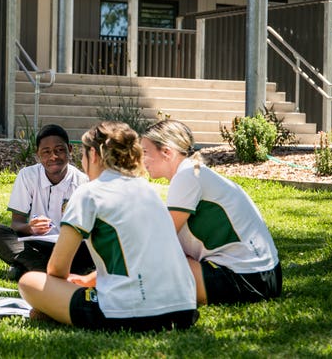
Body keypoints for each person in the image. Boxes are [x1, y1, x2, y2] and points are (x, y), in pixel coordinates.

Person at [19, 121, 198, 332]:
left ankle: (54, 311)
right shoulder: (148, 191)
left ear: (93, 155)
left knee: (29, 281)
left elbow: (57, 270)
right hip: (184, 312)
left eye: (83, 156)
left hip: (129, 314)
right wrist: (87, 280)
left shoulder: (89, 192)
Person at [141, 119, 282, 306]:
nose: (142, 160)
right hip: (264, 276)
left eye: (145, 152)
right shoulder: (193, 171)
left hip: (248, 278)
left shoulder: (187, 176)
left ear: (166, 152)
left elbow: (162, 238)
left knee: (150, 274)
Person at [0, 124, 94, 280]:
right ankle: (45, 270)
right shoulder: (27, 176)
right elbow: (16, 224)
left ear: (70, 149)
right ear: (38, 155)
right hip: (37, 246)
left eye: (59, 150)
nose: (53, 156)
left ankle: (29, 267)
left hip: (71, 249)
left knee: (92, 246)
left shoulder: (84, 182)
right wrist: (30, 228)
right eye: (46, 152)